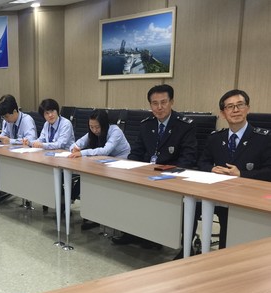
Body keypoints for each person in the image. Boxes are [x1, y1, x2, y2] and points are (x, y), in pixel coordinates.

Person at [113, 84, 197, 247]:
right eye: (155, 103)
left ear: (171, 102)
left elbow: (188, 157)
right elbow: (136, 152)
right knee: (127, 189)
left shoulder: (185, 125)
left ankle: (182, 246)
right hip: (147, 175)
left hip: (173, 177)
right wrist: (131, 170)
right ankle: (132, 232)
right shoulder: (146, 124)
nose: (159, 107)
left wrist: (168, 176)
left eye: (163, 102)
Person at [197, 89, 271, 248]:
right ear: (223, 113)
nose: (235, 110)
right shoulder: (215, 138)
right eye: (230, 107)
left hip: (250, 197)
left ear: (248, 108)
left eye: (240, 105)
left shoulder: (264, 138)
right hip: (219, 194)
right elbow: (202, 162)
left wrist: (241, 174)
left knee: (232, 230)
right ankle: (187, 250)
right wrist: (211, 169)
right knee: (188, 205)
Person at [69, 109, 131, 230]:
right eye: (91, 127)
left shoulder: (115, 131)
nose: (94, 130)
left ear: (104, 124)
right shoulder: (92, 132)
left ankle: (98, 214)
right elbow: (77, 144)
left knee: (94, 179)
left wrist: (82, 152)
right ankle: (91, 213)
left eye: (97, 127)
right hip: (104, 163)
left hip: (121, 164)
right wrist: (74, 148)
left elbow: (105, 151)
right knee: (87, 177)